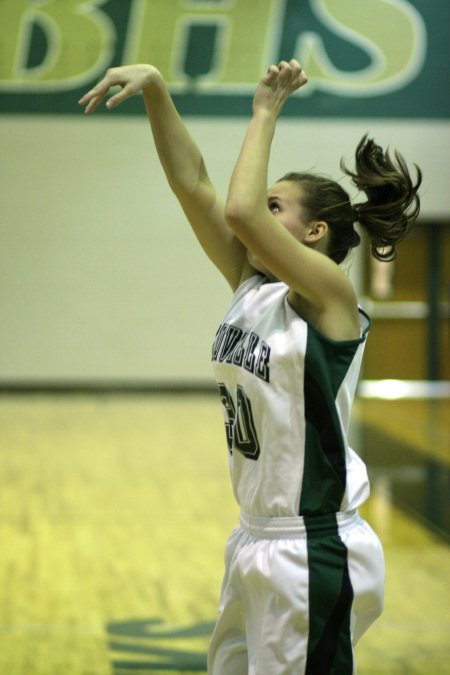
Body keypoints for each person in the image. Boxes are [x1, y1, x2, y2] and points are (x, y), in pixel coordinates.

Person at [79, 59, 421, 674]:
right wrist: (158, 86)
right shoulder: (253, 285)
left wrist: (265, 110)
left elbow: (239, 212)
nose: (258, 211)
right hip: (255, 538)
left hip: (312, 546)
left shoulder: (331, 299)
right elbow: (196, 186)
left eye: (276, 206)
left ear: (314, 233)